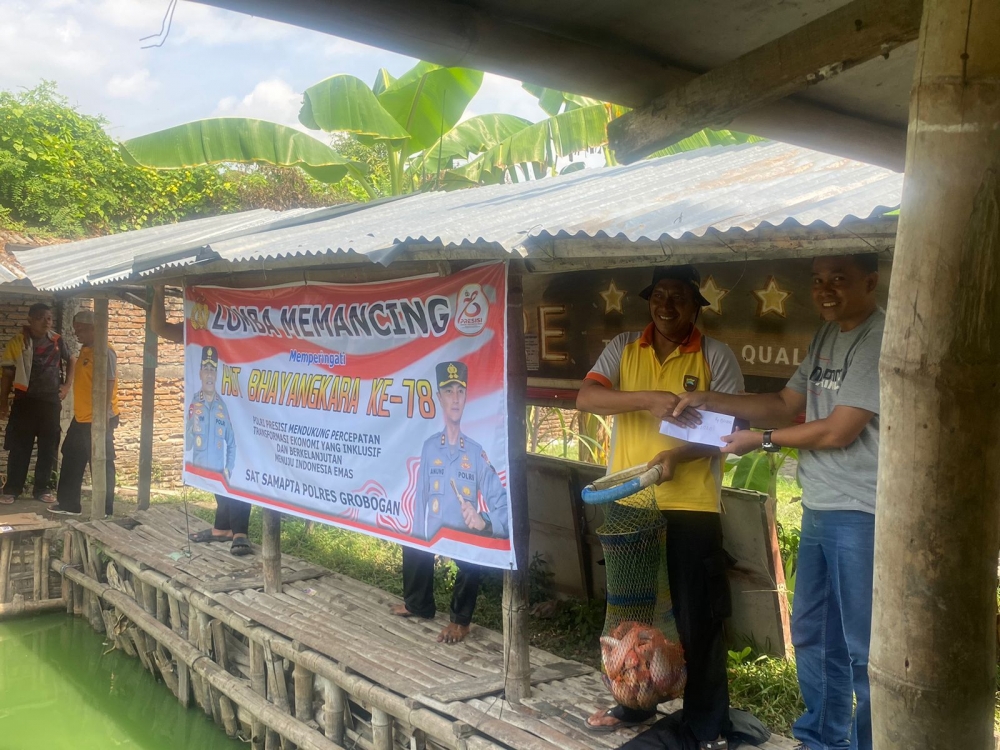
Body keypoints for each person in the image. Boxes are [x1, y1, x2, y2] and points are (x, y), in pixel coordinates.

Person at [671, 254, 883, 750]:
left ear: (871, 282)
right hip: (820, 505)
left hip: (863, 510)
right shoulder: (827, 335)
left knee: (863, 648)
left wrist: (762, 440)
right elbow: (786, 404)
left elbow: (839, 430)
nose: (825, 290)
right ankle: (822, 740)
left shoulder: (877, 337)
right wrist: (709, 399)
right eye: (818, 280)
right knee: (814, 634)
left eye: (839, 279)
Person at [577, 265, 744, 750]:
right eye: (659, 296)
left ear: (696, 305)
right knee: (634, 616)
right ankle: (635, 703)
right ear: (649, 300)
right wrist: (647, 399)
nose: (666, 306)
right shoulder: (624, 347)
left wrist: (678, 454)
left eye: (679, 297)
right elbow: (587, 397)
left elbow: (732, 429)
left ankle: (705, 723)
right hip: (631, 502)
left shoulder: (715, 355)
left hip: (691, 505)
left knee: (698, 616)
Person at [389, 360, 509, 644]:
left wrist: (484, 521)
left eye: (460, 391)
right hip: (434, 532)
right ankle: (418, 603)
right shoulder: (430, 447)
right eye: (448, 391)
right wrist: (415, 533)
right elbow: (420, 498)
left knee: (470, 556)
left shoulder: (477, 453)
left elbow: (503, 507)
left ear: (466, 397)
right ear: (439, 398)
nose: (455, 398)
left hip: (462, 535)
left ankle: (460, 622)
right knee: (413, 538)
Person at [153, 287, 252, 557]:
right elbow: (160, 327)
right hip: (215, 405)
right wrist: (158, 292)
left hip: (243, 404)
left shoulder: (246, 324)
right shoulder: (201, 328)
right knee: (214, 467)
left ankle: (239, 531)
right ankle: (223, 527)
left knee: (238, 467)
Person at [0, 302, 74, 504]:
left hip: (50, 402)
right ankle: (12, 489)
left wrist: (67, 385)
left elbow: (71, 359)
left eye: (49, 318)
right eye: (41, 318)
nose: (46, 322)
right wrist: (3, 402)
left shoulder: (57, 341)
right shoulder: (18, 342)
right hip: (24, 402)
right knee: (19, 447)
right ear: (30, 319)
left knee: (48, 447)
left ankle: (42, 489)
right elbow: (7, 373)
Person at [49, 311, 120, 517]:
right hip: (81, 417)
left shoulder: (105, 351)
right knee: (71, 456)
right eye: (75, 329)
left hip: (98, 417)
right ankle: (69, 505)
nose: (76, 333)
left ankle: (105, 510)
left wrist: (103, 414)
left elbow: (109, 382)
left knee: (102, 461)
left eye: (80, 329)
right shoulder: (86, 349)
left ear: (95, 328)